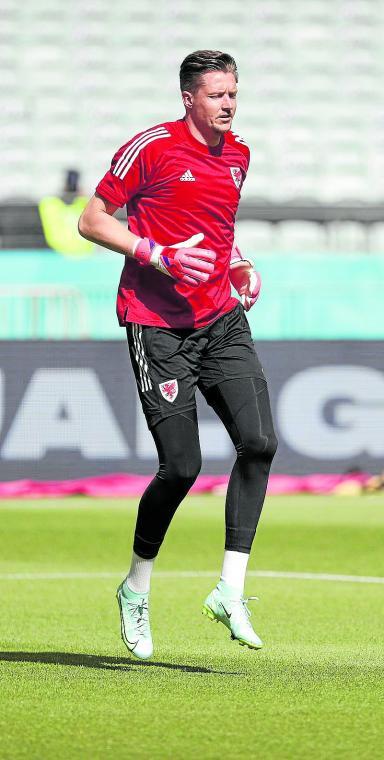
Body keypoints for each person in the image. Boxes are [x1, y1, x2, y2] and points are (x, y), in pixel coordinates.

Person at [78, 50, 277, 660]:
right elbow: (91, 221)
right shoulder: (151, 148)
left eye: (234, 93)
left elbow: (218, 226)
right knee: (183, 467)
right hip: (157, 326)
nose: (228, 104)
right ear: (189, 97)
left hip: (221, 318)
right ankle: (136, 588)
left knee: (260, 442)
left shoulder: (238, 154)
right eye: (217, 94)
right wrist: (155, 254)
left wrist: (238, 261)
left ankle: (230, 590)